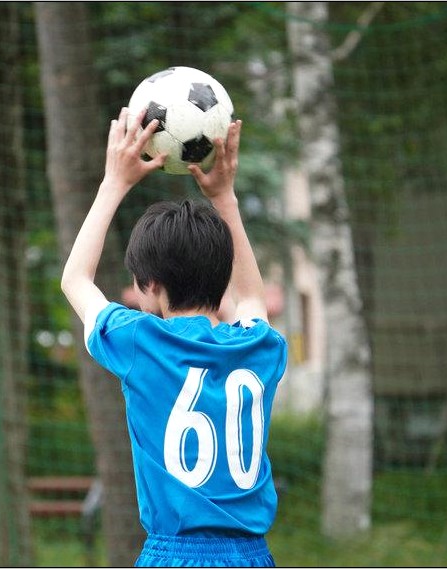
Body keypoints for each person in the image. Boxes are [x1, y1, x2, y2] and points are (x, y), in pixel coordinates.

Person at [61, 107, 288, 567]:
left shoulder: (141, 343)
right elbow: (251, 301)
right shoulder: (259, 347)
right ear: (221, 278)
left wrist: (115, 182)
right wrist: (224, 198)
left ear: (150, 286)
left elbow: (75, 279)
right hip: (250, 556)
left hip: (175, 555)